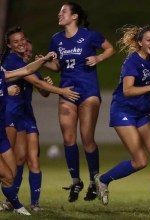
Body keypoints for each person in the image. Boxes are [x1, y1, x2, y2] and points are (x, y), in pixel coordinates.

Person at [94, 25, 150, 217]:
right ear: (140, 43)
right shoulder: (131, 62)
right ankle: (103, 179)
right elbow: (128, 90)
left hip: (141, 113)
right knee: (140, 161)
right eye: (149, 40)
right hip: (122, 112)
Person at [42, 2, 115, 202]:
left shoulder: (89, 35)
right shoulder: (56, 39)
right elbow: (57, 67)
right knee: (68, 139)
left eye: (63, 11)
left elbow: (110, 49)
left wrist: (98, 58)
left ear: (74, 16)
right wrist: (44, 62)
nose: (59, 14)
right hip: (67, 91)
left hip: (88, 91)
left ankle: (94, 181)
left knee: (87, 137)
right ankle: (76, 181)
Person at [1, 26, 79, 211]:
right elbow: (34, 80)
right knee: (13, 162)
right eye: (17, 42)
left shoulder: (24, 63)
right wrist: (62, 91)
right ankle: (11, 201)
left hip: (27, 116)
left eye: (24, 42)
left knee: (32, 159)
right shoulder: (12, 61)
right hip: (10, 115)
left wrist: (47, 80)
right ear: (9, 45)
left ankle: (34, 204)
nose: (23, 46)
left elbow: (41, 89)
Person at [0, 51, 57, 216]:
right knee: (6, 174)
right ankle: (18, 206)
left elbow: (26, 70)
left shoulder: (4, 75)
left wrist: (45, 60)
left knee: (11, 173)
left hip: (1, 135)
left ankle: (14, 205)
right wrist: (7, 90)